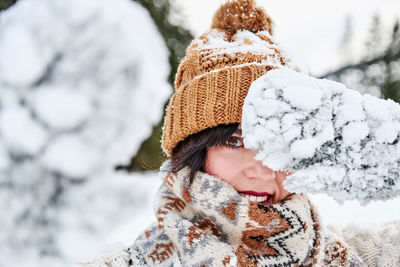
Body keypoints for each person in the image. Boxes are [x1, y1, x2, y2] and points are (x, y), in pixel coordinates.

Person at [78, 0, 400, 266]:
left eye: (281, 143)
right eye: (235, 141)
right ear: (192, 151)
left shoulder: (348, 256)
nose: (263, 168)